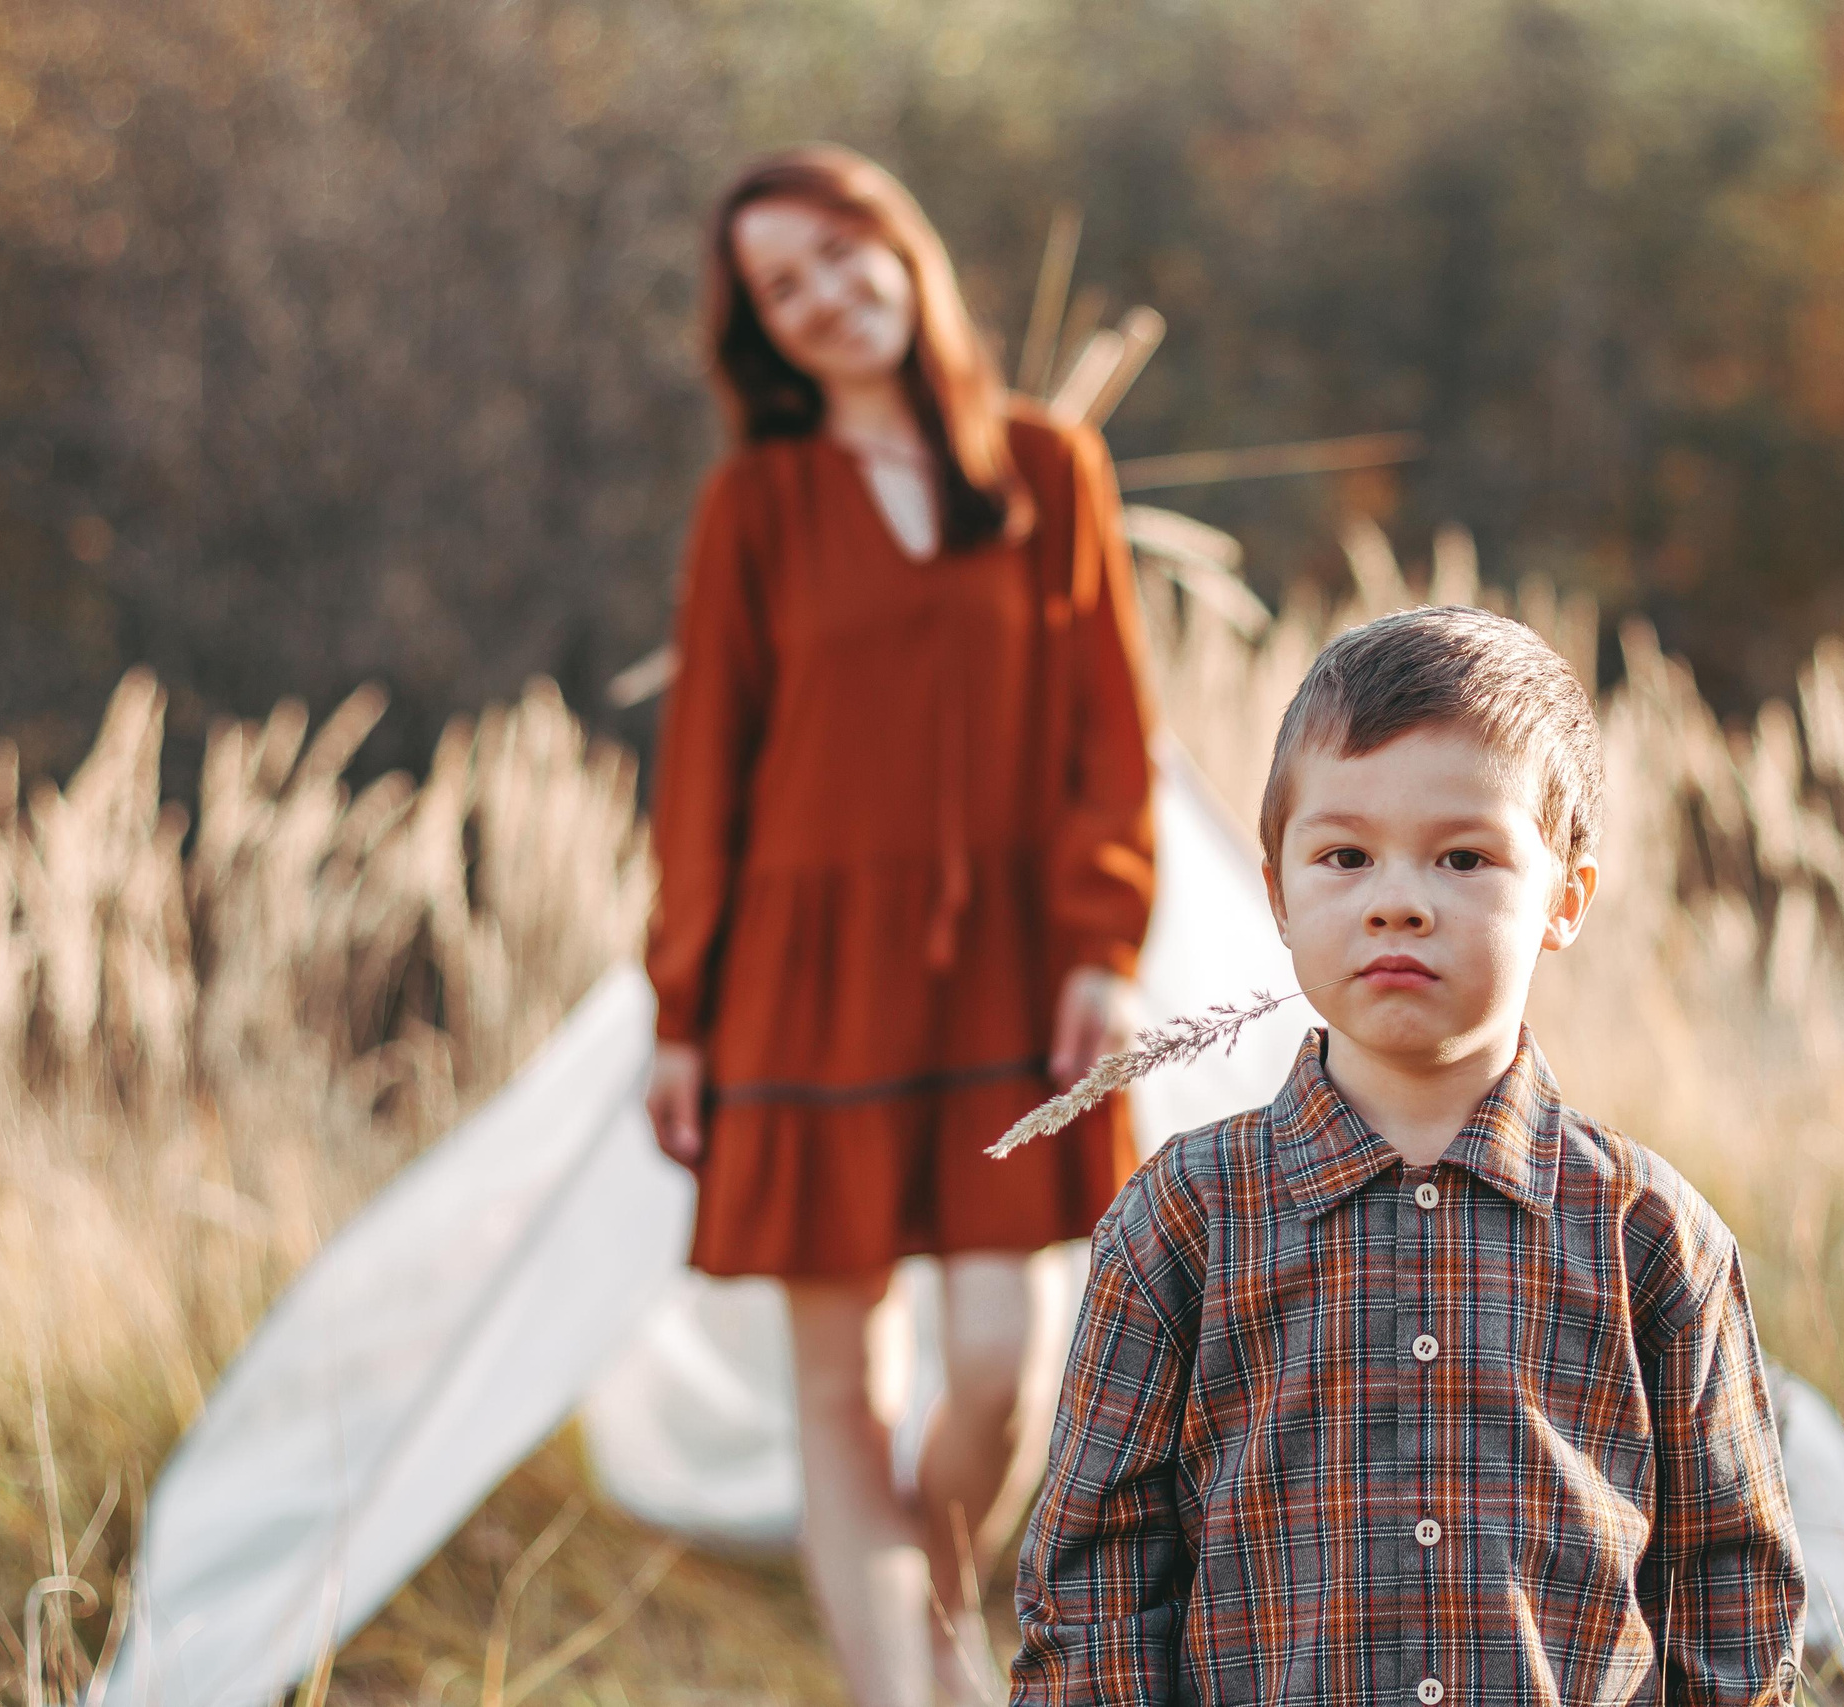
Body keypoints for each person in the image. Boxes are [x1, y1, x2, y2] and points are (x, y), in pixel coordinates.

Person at [1008, 607, 1806, 1702]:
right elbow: (1092, 1581)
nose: (1396, 900)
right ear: (1277, 892)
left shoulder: (1650, 1238)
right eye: (1345, 856)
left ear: (1563, 900)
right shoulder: (1182, 1219)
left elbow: (1732, 1593)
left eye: (1463, 857)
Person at [642, 145, 1157, 1707]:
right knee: (838, 1386)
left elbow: (1107, 732)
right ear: (760, 333)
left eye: (834, 256)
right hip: (799, 980)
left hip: (1007, 965)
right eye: (778, 289)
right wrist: (682, 1006)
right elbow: (705, 762)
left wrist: (1099, 938)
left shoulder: (1050, 468)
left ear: (899, 248)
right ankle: (906, 1683)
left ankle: (917, 1607)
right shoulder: (757, 504)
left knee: (1008, 1353)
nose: (820, 301)